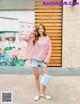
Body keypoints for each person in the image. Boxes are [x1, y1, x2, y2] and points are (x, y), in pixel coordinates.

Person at [23, 23, 52, 101]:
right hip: (34, 59)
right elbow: (25, 38)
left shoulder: (47, 38)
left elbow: (49, 50)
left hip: (43, 60)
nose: (40, 30)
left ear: (44, 29)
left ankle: (44, 92)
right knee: (36, 76)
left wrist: (46, 60)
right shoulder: (34, 37)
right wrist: (33, 31)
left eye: (41, 28)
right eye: (39, 28)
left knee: (46, 75)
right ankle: (39, 93)